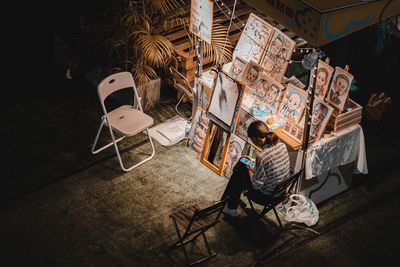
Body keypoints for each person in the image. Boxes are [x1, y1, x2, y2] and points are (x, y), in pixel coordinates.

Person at [221, 120, 291, 217]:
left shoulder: (262, 157)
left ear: (256, 139)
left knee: (241, 166)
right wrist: (254, 163)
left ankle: (230, 205)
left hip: (266, 197)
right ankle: (229, 202)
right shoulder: (282, 146)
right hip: (281, 193)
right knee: (244, 163)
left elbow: (256, 185)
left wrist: (249, 169)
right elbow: (271, 166)